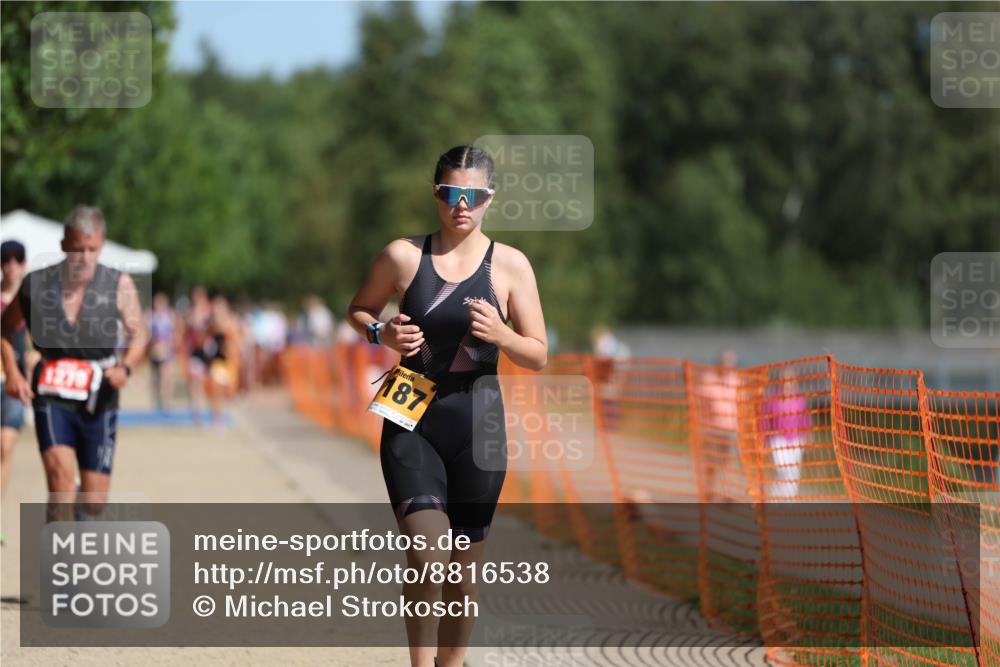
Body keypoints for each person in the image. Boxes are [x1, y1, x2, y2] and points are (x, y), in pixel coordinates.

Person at [347, 145, 547, 667]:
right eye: (450, 193)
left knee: (462, 572)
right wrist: (380, 331)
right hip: (409, 415)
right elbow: (360, 310)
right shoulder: (403, 256)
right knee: (429, 556)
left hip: (479, 424)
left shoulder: (510, 265)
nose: (461, 205)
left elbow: (539, 354)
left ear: (489, 198)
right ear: (435, 194)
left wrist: (503, 333)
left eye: (473, 195)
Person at [1, 206, 147, 522]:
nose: (84, 257)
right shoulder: (35, 285)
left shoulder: (118, 285)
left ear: (102, 245)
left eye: (92, 249)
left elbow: (140, 334)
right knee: (60, 483)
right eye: (77, 248)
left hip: (100, 396)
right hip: (52, 393)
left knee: (93, 501)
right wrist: (13, 371)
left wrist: (126, 367)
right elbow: (5, 327)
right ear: (64, 245)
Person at [1, 241, 32, 523]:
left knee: (5, 446)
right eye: (5, 260)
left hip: (15, 384)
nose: (11, 265)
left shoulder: (35, 299)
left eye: (17, 259)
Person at [147, 292, 177, 411]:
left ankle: (168, 401)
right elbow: (147, 333)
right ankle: (157, 400)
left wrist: (169, 346)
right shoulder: (151, 316)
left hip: (167, 350)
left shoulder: (170, 316)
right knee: (155, 377)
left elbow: (175, 332)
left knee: (167, 377)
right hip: (154, 350)